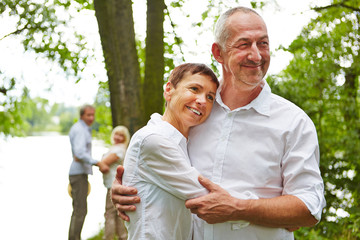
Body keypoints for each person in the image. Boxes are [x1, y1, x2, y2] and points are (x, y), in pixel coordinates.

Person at [111, 6, 326, 240]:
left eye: (263, 43)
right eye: (244, 44)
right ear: (218, 52)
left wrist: (240, 208)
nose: (256, 55)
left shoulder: (293, 122)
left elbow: (309, 207)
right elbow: (156, 158)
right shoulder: (194, 112)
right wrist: (134, 187)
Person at [121, 63, 219, 239]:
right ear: (169, 90)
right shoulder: (153, 140)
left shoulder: (185, 143)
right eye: (194, 89)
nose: (202, 101)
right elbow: (210, 199)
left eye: (210, 97)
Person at [68, 104, 109, 240]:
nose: (91, 118)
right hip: (78, 174)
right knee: (80, 210)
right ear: (81, 115)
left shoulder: (83, 128)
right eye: (88, 115)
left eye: (93, 115)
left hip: (79, 173)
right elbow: (79, 153)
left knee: (79, 210)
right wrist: (98, 163)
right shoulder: (80, 129)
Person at [100, 125, 130, 240]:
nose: (118, 137)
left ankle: (108, 237)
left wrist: (99, 163)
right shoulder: (115, 147)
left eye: (121, 135)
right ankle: (122, 236)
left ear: (125, 138)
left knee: (109, 213)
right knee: (117, 213)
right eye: (116, 134)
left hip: (113, 185)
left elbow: (104, 163)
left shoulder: (119, 149)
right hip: (111, 184)